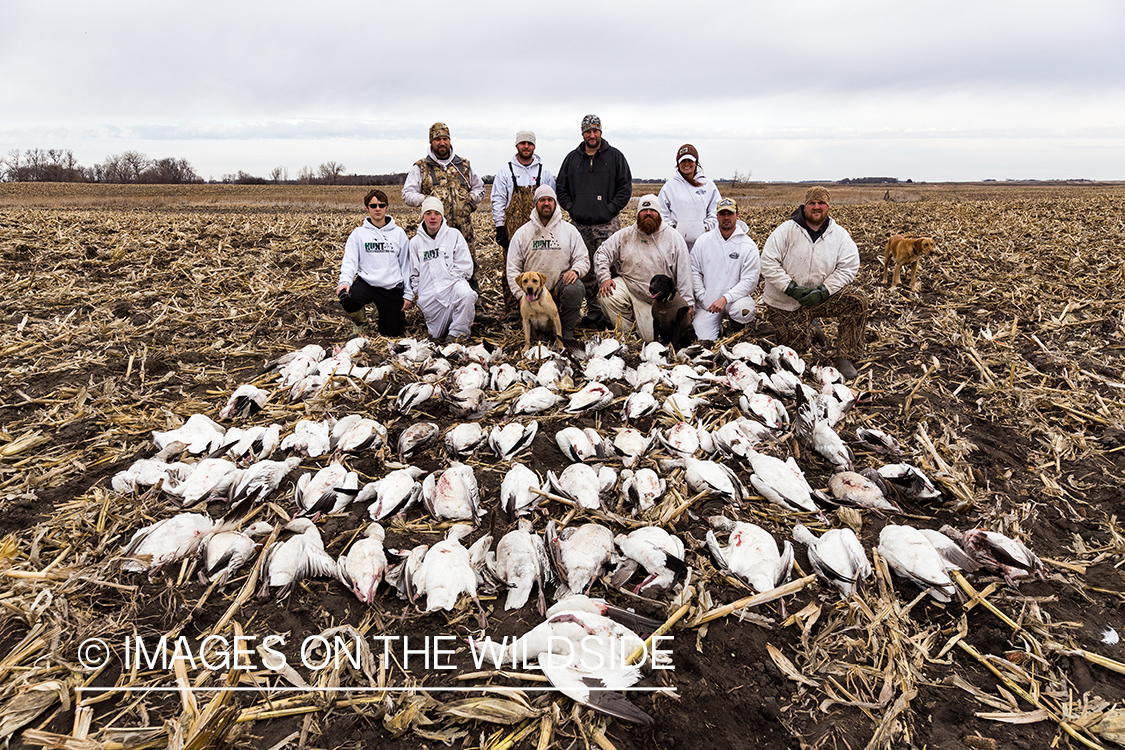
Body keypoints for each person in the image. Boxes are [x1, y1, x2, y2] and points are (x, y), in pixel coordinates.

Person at [760, 186, 867, 379]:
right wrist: (790, 288)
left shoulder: (839, 235)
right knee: (795, 351)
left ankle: (846, 355)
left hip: (822, 296)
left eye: (821, 203)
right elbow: (767, 262)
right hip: (788, 301)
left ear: (828, 206)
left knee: (857, 301)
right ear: (805, 206)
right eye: (812, 203)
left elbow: (849, 266)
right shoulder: (786, 231)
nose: (817, 207)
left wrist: (825, 290)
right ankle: (810, 328)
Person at [556, 114, 632, 329]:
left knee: (610, 267)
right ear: (582, 133)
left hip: (607, 225)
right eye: (588, 131)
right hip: (579, 225)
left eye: (595, 130)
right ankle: (593, 312)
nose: (592, 134)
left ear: (601, 131)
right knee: (586, 270)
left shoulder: (615, 157)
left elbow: (625, 187)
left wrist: (610, 208)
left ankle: (611, 311)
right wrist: (573, 207)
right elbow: (560, 188)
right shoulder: (572, 159)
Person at [593, 194, 692, 342]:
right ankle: (628, 335)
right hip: (630, 288)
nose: (648, 214)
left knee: (651, 339)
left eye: (652, 210)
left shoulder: (673, 238)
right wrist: (605, 278)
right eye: (644, 211)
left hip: (660, 302)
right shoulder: (625, 235)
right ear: (638, 214)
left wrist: (688, 304)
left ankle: (642, 329)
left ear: (659, 214)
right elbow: (602, 253)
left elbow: (684, 274)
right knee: (607, 294)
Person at [506, 185, 589, 340]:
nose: (546, 203)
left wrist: (575, 270)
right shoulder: (523, 233)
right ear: (536, 204)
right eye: (542, 200)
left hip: (559, 285)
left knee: (575, 288)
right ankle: (535, 333)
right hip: (533, 290)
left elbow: (582, 257)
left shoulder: (569, 231)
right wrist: (520, 295)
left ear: (555, 203)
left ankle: (566, 333)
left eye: (550, 200)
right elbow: (512, 267)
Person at [492, 130, 556, 322]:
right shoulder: (506, 171)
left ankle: (543, 306)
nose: (526, 147)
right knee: (511, 268)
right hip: (512, 228)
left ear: (534, 146)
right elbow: (497, 200)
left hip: (538, 228)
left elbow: (551, 201)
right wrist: (500, 227)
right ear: (517, 146)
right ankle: (513, 308)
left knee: (538, 267)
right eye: (522, 143)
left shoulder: (543, 172)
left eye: (529, 143)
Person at [402, 122, 485, 272]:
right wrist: (427, 200)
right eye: (437, 139)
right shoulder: (421, 167)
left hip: (463, 231)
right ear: (431, 142)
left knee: (467, 270)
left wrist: (470, 199)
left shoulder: (463, 165)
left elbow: (480, 188)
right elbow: (407, 194)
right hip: (434, 233)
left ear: (450, 140)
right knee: (436, 270)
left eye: (445, 139)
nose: (442, 143)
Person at [336, 189, 413, 336]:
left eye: (381, 205)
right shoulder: (358, 234)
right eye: (373, 206)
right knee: (348, 297)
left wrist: (408, 293)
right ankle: (361, 323)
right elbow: (349, 262)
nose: (377, 209)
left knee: (392, 333)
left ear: (387, 208)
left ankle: (382, 310)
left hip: (391, 286)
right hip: (367, 283)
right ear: (367, 208)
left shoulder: (398, 234)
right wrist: (345, 282)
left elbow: (406, 265)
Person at [407, 197, 477, 343]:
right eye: (428, 213)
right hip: (430, 296)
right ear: (422, 216)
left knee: (467, 295)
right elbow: (414, 274)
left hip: (453, 286)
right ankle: (445, 328)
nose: (433, 217)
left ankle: (458, 333)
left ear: (442, 216)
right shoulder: (415, 243)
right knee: (436, 335)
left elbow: (465, 265)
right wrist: (419, 293)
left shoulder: (454, 235)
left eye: (437, 213)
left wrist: (448, 281)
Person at [690, 198, 759, 343]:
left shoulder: (748, 245)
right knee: (701, 338)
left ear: (737, 215)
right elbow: (694, 270)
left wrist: (726, 298)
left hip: (736, 299)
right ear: (717, 216)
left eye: (730, 213)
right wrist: (702, 296)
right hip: (709, 302)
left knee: (744, 311)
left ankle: (735, 329)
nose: (726, 217)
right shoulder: (703, 241)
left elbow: (750, 281)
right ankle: (718, 328)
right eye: (722, 214)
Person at [658, 144, 720, 252]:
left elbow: (716, 210)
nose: (686, 164)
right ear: (678, 164)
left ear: (696, 163)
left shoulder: (708, 185)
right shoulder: (669, 187)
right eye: (683, 161)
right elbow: (662, 213)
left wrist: (705, 229)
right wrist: (673, 231)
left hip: (704, 244)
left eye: (690, 160)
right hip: (676, 245)